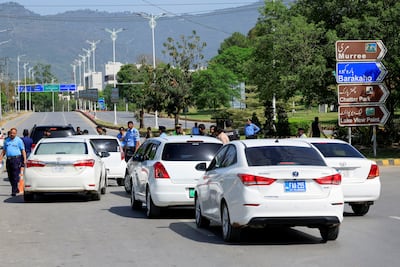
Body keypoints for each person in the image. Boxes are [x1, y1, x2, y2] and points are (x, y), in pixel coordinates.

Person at [0, 128, 27, 196]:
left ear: (16, 133)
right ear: (10, 133)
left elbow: (23, 150)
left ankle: (13, 191)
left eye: (14, 133)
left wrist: (24, 159)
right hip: (8, 160)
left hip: (16, 159)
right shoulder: (6, 141)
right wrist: (0, 159)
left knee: (15, 175)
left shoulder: (19, 141)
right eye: (11, 133)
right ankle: (15, 188)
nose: (12, 134)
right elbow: (4, 151)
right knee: (10, 176)